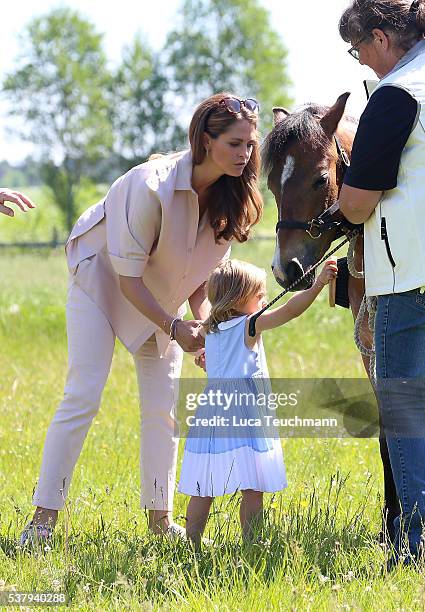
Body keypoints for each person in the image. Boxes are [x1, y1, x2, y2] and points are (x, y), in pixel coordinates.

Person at [19, 93, 263, 546]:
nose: (244, 155)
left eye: (250, 145)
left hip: (160, 296)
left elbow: (199, 275)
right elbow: (128, 281)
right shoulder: (151, 186)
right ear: (205, 141)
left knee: (163, 408)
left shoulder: (231, 195)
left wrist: (205, 330)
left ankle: (160, 522)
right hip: (104, 280)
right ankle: (41, 521)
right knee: (83, 393)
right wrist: (175, 328)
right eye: (234, 144)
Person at [338, 0, 425, 562]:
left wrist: (343, 203)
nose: (360, 62)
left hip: (408, 280)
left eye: (357, 49)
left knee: (406, 417)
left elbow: (358, 202)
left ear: (379, 38)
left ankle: (414, 546)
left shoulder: (397, 94)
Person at [178, 257, 338, 546]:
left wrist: (210, 361)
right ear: (239, 298)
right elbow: (289, 311)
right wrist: (317, 285)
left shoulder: (209, 329)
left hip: (213, 412)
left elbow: (217, 359)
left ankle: (191, 545)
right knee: (253, 486)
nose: (264, 299)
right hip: (245, 412)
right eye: (259, 294)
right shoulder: (250, 324)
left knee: (203, 486)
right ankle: (252, 544)